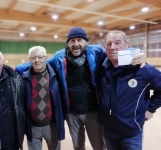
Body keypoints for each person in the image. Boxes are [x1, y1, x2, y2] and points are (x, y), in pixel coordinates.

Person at [15, 27, 145, 150]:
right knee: (78, 146)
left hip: (93, 111)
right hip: (72, 113)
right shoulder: (60, 58)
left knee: (99, 145)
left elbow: (117, 51)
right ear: (68, 43)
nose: (76, 44)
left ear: (86, 42)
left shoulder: (96, 53)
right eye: (72, 40)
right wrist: (15, 69)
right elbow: (42, 62)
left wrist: (137, 54)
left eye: (79, 40)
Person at [98, 30, 161, 150]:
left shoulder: (142, 69)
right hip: (108, 131)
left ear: (127, 45)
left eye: (117, 43)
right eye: (109, 44)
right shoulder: (102, 68)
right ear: (105, 47)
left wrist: (151, 109)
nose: (113, 47)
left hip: (131, 133)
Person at [20, 46, 64, 150]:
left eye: (40, 57)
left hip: (52, 126)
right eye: (33, 58)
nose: (37, 60)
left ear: (46, 57)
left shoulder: (56, 76)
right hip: (33, 127)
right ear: (29, 59)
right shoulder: (23, 78)